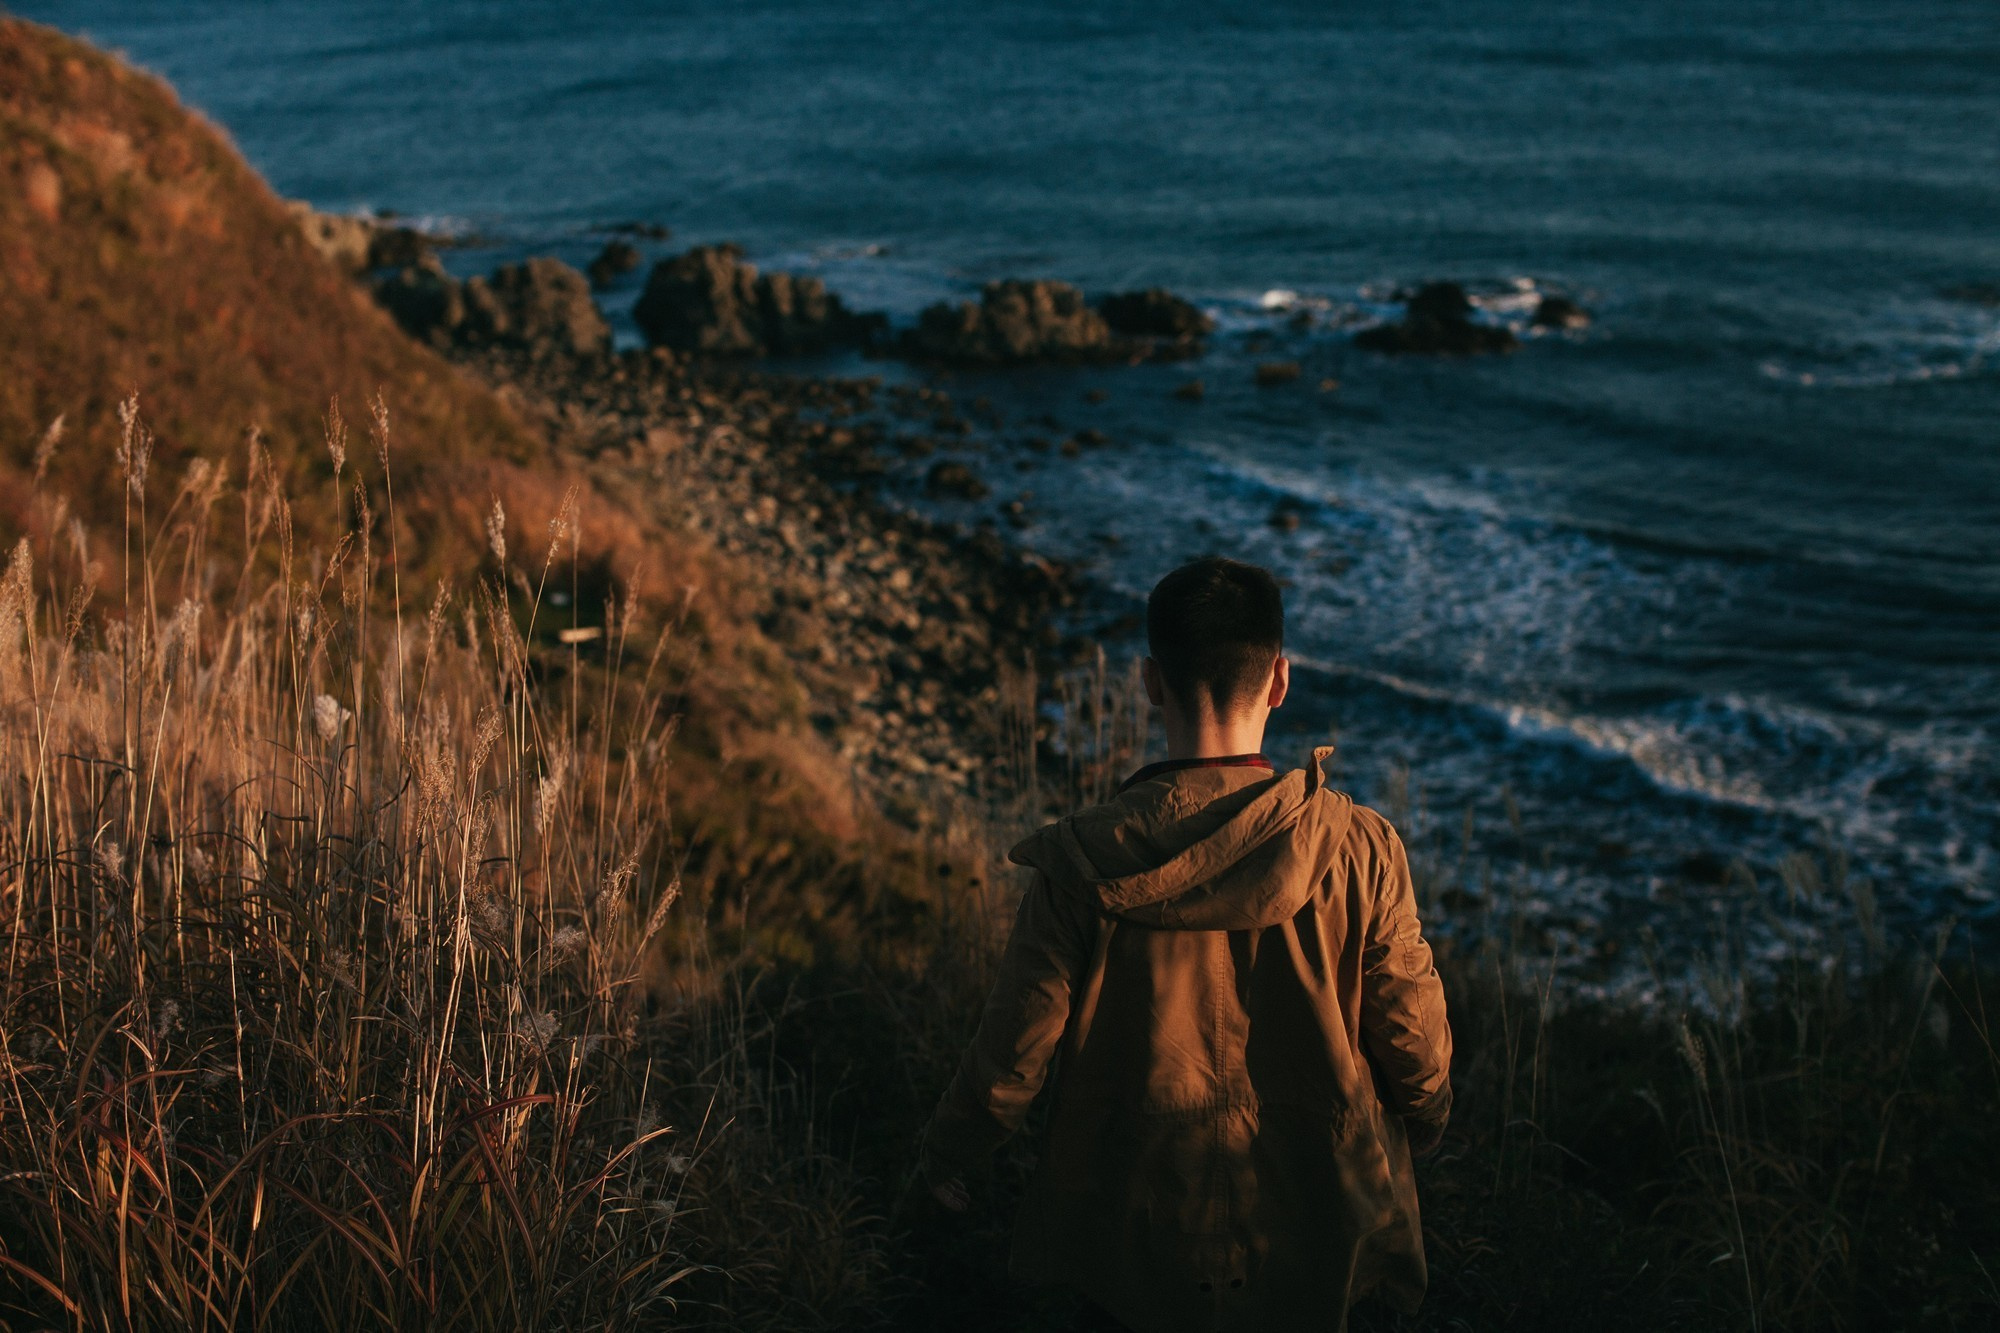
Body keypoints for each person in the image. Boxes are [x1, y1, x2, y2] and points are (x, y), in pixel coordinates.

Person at [915, 556, 1453, 1332]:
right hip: (1325, 1232)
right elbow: (1412, 1036)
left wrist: (947, 1156)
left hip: (1133, 1245)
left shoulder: (1082, 863)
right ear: (1279, 680)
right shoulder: (1359, 847)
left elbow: (1012, 1055)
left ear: (1150, 682)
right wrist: (1426, 1120)